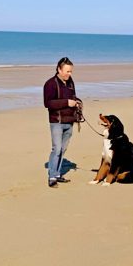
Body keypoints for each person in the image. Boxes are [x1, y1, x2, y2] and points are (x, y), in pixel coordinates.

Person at [43, 57, 81, 188]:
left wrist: (76, 102)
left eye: (71, 71)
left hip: (69, 121)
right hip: (56, 122)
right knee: (57, 149)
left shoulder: (70, 83)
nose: (69, 74)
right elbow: (48, 103)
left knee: (63, 149)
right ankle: (52, 177)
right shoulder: (50, 84)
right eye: (67, 71)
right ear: (59, 69)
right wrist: (67, 102)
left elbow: (73, 97)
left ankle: (57, 174)